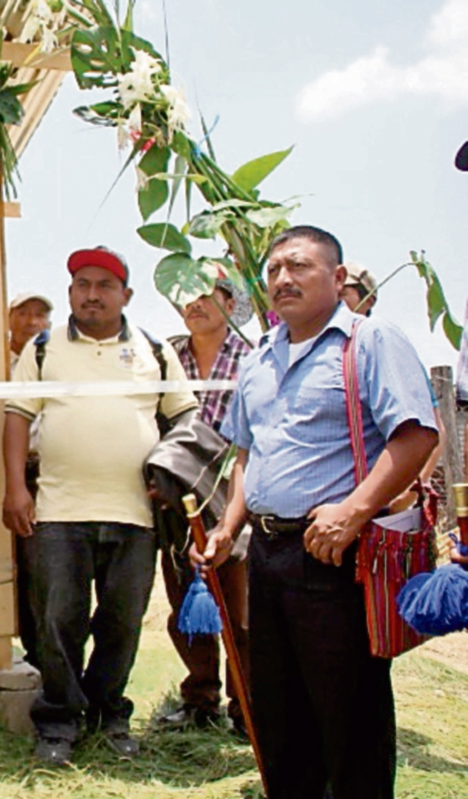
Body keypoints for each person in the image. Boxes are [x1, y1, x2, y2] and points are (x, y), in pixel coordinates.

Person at [194, 226, 438, 798]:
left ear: (337, 278)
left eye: (298, 266)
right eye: (274, 269)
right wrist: (228, 528)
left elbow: (416, 435)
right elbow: (246, 453)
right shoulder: (259, 360)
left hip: (337, 554)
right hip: (269, 556)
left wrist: (354, 512)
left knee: (349, 717)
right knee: (279, 715)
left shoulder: (368, 342)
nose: (282, 279)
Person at [2, 246, 197, 765]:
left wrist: (172, 479)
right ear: (70, 293)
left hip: (135, 514)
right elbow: (18, 415)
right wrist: (16, 489)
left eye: (104, 285)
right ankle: (58, 723)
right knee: (59, 620)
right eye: (82, 284)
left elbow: (186, 419)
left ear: (125, 296)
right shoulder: (42, 349)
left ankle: (109, 716)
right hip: (59, 511)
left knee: (122, 622)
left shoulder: (154, 350)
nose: (92, 294)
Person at [155, 280, 252, 735]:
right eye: (185, 295)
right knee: (186, 607)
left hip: (236, 495)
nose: (195, 303)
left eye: (208, 293)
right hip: (181, 500)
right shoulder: (164, 355)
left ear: (230, 303)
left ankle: (246, 707)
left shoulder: (255, 355)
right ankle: (199, 698)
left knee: (241, 612)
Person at [6, 292, 53, 668]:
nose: (34, 321)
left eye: (42, 314)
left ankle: (44, 659)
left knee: (42, 570)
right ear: (9, 318)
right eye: (25, 313)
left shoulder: (55, 360)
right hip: (3, 473)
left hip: (46, 473)